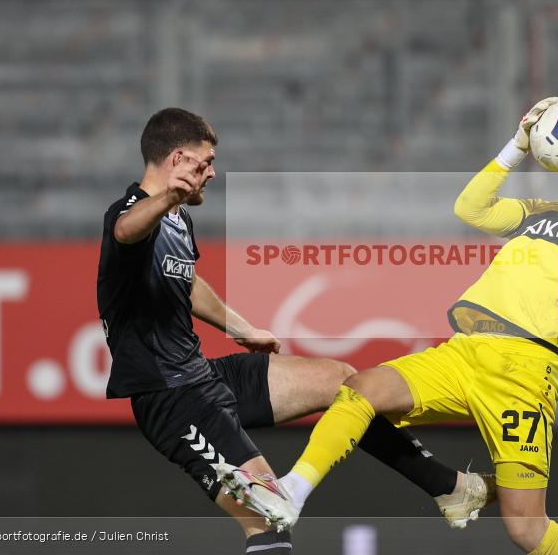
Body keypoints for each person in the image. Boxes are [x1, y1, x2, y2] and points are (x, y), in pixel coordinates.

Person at [245, 97, 558, 554]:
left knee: (527, 529)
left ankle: (473, 492)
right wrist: (517, 145)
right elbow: (472, 209)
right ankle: (292, 493)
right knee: (360, 389)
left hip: (524, 371)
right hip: (465, 351)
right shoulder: (546, 210)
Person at [96, 108, 494, 555]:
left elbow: (183, 283)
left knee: (345, 382)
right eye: (205, 162)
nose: (212, 172)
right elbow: (126, 232)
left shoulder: (176, 220)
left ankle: (449, 488)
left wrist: (241, 327)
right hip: (168, 397)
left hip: (204, 377)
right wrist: (167, 198)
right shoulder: (132, 213)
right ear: (177, 159)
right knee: (269, 517)